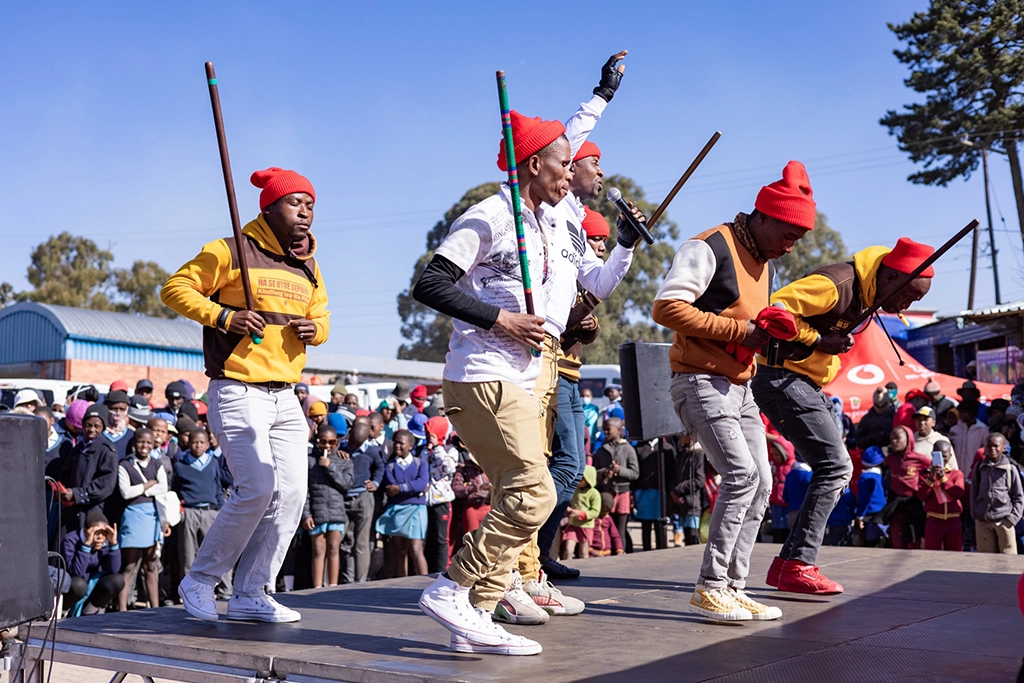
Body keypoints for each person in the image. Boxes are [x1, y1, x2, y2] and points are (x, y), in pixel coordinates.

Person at [412, 108, 579, 655]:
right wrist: (501, 319)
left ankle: (476, 618)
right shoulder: (490, 214)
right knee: (535, 493)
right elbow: (431, 284)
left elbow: (570, 141)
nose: (571, 172)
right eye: (562, 165)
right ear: (533, 165)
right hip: (481, 374)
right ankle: (452, 589)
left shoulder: (545, 219)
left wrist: (599, 99)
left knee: (518, 494)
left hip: (523, 376)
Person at [162, 166, 329, 623]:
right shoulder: (230, 249)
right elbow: (174, 288)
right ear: (269, 206)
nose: (306, 212)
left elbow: (325, 318)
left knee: (292, 494)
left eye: (311, 205)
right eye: (296, 203)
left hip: (287, 396)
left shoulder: (309, 264)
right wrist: (222, 317)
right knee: (256, 487)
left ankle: (252, 592)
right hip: (238, 388)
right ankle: (199, 579)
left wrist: (316, 331)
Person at [653, 162, 814, 621]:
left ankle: (733, 587)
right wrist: (740, 331)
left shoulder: (763, 263)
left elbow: (747, 327)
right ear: (762, 217)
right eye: (787, 234)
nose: (791, 245)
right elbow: (665, 308)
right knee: (742, 476)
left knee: (762, 483)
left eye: (798, 238)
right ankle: (711, 587)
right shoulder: (711, 246)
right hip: (700, 380)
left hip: (739, 385)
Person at [754, 236, 936, 594]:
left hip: (801, 381)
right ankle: (799, 565)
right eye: (910, 295)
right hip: (782, 378)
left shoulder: (869, 292)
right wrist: (817, 341)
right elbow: (773, 309)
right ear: (889, 277)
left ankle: (786, 566)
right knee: (836, 467)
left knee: (835, 468)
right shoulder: (836, 284)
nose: (907, 304)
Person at [116, 428, 169, 611]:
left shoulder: (157, 464)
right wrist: (147, 485)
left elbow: (163, 487)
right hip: (133, 516)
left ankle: (155, 609)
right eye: (141, 442)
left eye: (148, 442)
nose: (144, 446)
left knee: (151, 565)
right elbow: (125, 492)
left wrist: (140, 489)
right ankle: (121, 609)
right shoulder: (124, 465)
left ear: (154, 444)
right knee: (129, 565)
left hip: (152, 516)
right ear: (134, 443)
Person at [52, 404, 118, 540]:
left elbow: (105, 485)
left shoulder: (107, 451)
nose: (91, 429)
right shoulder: (78, 448)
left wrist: (77, 494)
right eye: (88, 425)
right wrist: (63, 491)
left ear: (103, 427)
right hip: (71, 510)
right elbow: (66, 473)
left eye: (97, 426)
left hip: (92, 512)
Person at [302, 424, 354, 588]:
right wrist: (306, 514)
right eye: (323, 442)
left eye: (331, 442)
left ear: (336, 441)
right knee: (318, 550)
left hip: (336, 511)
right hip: (317, 513)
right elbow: (304, 490)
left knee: (333, 549)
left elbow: (346, 484)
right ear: (317, 441)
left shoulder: (343, 460)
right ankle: (317, 586)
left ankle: (333, 586)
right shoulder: (309, 461)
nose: (327, 446)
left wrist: (330, 466)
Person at [376, 430, 430, 577]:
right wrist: (413, 488)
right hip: (397, 509)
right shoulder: (390, 466)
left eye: (401, 443)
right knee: (400, 550)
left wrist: (400, 488)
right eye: (396, 442)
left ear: (411, 446)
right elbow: (390, 486)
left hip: (416, 509)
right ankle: (402, 583)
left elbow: (422, 483)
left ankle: (424, 583)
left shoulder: (420, 463)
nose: (397, 446)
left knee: (416, 549)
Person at [62, 511, 123, 616]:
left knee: (117, 580)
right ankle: (65, 610)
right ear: (85, 531)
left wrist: (113, 544)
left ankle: (89, 611)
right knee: (79, 585)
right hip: (73, 586)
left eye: (104, 533)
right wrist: (86, 546)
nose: (100, 537)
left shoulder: (107, 540)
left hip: (92, 584)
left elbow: (114, 569)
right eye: (96, 532)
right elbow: (76, 572)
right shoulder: (70, 540)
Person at [971, 433, 1024, 554]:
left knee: (1008, 559)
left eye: (996, 446)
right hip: (983, 521)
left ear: (1003, 448)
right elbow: (974, 492)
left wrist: (1012, 519)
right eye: (989, 446)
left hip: (1004, 521)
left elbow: (1018, 496)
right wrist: (975, 514)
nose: (992, 449)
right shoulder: (980, 467)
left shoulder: (1010, 469)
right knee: (986, 560)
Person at [592, 417, 639, 549]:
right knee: (607, 527)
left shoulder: (628, 449)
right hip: (607, 494)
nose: (605, 432)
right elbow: (593, 473)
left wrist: (620, 471)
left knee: (620, 529)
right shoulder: (601, 451)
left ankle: (620, 553)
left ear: (618, 430)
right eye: (604, 429)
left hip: (623, 494)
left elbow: (635, 473)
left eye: (608, 429)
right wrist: (604, 473)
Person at [883, 425, 931, 549]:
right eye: (891, 439)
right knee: (897, 541)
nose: (894, 441)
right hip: (896, 505)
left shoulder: (920, 459)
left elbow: (931, 472)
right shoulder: (890, 459)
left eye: (897, 438)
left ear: (908, 439)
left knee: (913, 542)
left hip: (913, 504)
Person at [917, 441, 965, 551]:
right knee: (932, 554)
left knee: (954, 553)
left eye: (944, 455)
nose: (942, 458)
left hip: (953, 520)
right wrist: (930, 478)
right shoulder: (925, 473)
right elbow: (922, 496)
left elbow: (957, 493)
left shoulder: (956, 474)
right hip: (934, 520)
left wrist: (943, 479)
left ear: (950, 455)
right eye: (938, 454)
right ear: (932, 454)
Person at [424, 416, 457, 574]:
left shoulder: (450, 451)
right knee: (428, 539)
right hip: (425, 502)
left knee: (441, 539)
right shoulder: (424, 451)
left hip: (441, 502)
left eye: (431, 432)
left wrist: (438, 447)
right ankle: (428, 570)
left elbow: (449, 468)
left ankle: (440, 571)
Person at [670, 432, 706, 546]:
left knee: (692, 537)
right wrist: (674, 492)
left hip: (693, 504)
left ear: (690, 437)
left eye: (682, 435)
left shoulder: (699, 454)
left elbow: (699, 479)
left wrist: (678, 489)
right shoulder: (682, 453)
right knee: (686, 536)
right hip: (682, 503)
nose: (679, 437)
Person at [560, 466, 601, 560]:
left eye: (582, 478)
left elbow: (595, 512)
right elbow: (568, 502)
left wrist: (579, 513)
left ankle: (585, 571)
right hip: (573, 525)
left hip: (586, 526)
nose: (579, 481)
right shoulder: (575, 490)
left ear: (588, 479)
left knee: (583, 552)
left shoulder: (594, 493)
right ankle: (566, 569)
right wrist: (567, 509)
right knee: (568, 550)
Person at [855, 446, 887, 547]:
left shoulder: (865, 478)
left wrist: (859, 516)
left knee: (870, 544)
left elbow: (864, 499)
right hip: (882, 513)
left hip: (869, 516)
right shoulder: (881, 477)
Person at [950, 402, 989, 473]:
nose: (961, 415)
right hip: (956, 470)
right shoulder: (954, 429)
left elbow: (985, 451)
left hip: (974, 471)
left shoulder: (983, 430)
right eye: (960, 412)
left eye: (965, 412)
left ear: (972, 413)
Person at [588, 492, 625, 556]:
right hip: (592, 554)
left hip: (607, 554)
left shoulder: (608, 519)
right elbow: (585, 539)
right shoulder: (591, 519)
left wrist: (619, 550)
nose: (606, 513)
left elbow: (615, 536)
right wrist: (593, 552)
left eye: (608, 511)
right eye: (604, 511)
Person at [102, 390, 134, 460]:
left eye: (122, 409)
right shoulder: (97, 433)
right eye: (114, 409)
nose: (118, 413)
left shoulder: (132, 436)